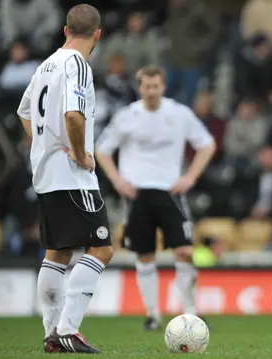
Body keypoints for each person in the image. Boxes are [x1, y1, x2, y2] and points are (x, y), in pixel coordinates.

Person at [16, 4, 110, 354]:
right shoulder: (77, 65)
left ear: (65, 30)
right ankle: (67, 329)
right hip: (72, 174)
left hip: (44, 172)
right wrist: (78, 150)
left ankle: (51, 333)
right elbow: (74, 115)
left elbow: (25, 112)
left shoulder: (44, 65)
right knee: (101, 247)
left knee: (58, 252)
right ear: (98, 35)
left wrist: (45, 144)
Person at [95, 65, 216, 331]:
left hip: (170, 191)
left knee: (184, 251)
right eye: (146, 86)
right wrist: (117, 180)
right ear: (140, 88)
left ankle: (191, 312)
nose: (151, 91)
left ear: (163, 86)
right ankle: (152, 315)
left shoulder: (179, 114)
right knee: (144, 255)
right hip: (137, 194)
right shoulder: (127, 116)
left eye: (156, 86)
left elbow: (207, 144)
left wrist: (190, 177)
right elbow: (102, 150)